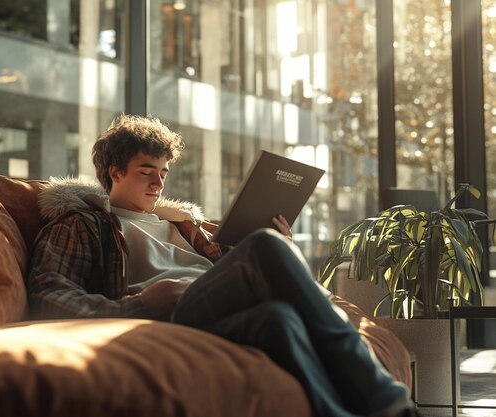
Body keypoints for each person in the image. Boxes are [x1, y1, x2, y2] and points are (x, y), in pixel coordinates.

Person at [27, 114, 420, 417]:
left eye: (163, 174)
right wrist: (142, 303)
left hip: (216, 303)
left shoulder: (183, 224)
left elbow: (234, 274)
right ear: (115, 172)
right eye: (147, 171)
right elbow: (49, 293)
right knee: (262, 244)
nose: (158, 183)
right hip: (169, 312)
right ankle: (388, 397)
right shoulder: (84, 222)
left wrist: (280, 253)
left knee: (279, 318)